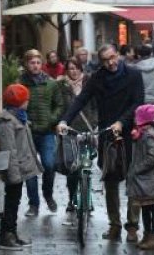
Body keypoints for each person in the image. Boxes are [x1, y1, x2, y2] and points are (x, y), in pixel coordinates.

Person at [58, 44, 144, 242]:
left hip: (129, 133)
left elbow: (138, 102)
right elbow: (81, 100)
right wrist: (64, 121)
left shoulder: (133, 75)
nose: (111, 63)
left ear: (118, 56)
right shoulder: (97, 78)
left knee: (132, 180)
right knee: (111, 180)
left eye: (113, 58)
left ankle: (132, 226)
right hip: (106, 134)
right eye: (105, 60)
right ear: (101, 61)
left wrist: (122, 122)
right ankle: (114, 224)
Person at [18, 49, 68, 217]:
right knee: (30, 170)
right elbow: (14, 104)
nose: (36, 66)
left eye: (38, 62)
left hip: (47, 132)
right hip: (28, 132)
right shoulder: (20, 84)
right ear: (26, 64)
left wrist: (52, 119)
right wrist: (23, 120)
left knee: (49, 164)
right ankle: (34, 204)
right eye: (32, 63)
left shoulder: (51, 84)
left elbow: (59, 105)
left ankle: (48, 194)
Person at [0, 84, 42, 251]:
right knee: (11, 202)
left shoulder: (19, 117)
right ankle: (6, 236)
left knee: (15, 202)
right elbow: (9, 151)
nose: (28, 102)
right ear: (19, 102)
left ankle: (12, 233)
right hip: (15, 170)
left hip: (20, 169)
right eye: (26, 99)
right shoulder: (6, 122)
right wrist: (13, 175)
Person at [60, 57, 98, 212]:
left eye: (75, 68)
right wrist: (62, 122)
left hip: (88, 129)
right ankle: (72, 199)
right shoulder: (62, 87)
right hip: (70, 131)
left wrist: (94, 123)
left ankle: (87, 198)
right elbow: (60, 106)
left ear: (81, 69)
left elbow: (96, 106)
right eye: (70, 69)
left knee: (86, 166)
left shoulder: (89, 84)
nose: (73, 71)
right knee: (72, 168)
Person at [127, 104, 154, 250]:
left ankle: (153, 236)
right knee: (146, 208)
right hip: (145, 180)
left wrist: (136, 169)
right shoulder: (143, 132)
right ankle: (147, 235)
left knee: (152, 208)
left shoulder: (149, 134)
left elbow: (152, 157)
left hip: (149, 180)